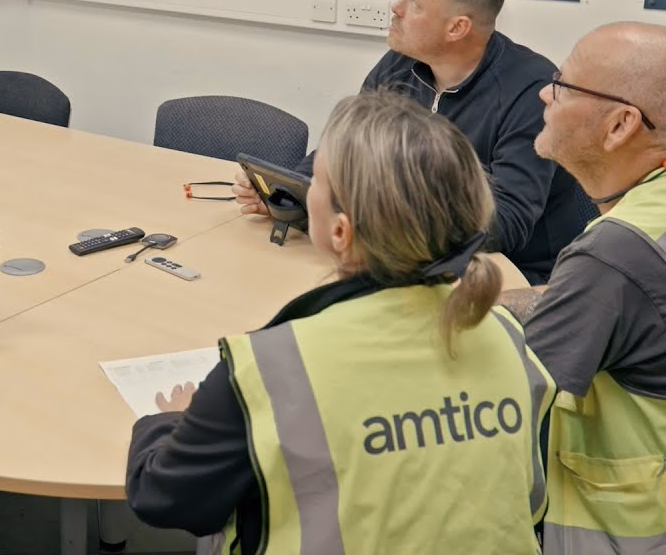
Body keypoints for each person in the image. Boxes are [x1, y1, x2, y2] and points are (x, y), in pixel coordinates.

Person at [128, 90, 555, 553]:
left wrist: (164, 423)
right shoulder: (509, 338)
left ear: (339, 231)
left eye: (316, 182)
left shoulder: (272, 366)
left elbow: (165, 498)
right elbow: (529, 498)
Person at [234, 0, 587, 285]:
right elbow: (345, 149)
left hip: (506, 276)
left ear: (457, 28)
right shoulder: (401, 64)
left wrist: (389, 216)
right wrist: (287, 195)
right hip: (408, 258)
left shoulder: (530, 90)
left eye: (414, 3)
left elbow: (507, 222)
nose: (396, 7)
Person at [497, 22, 666, 553]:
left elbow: (502, 400)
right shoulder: (644, 229)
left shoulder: (613, 253)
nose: (546, 93)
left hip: (615, 530)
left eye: (564, 85)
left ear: (620, 124)